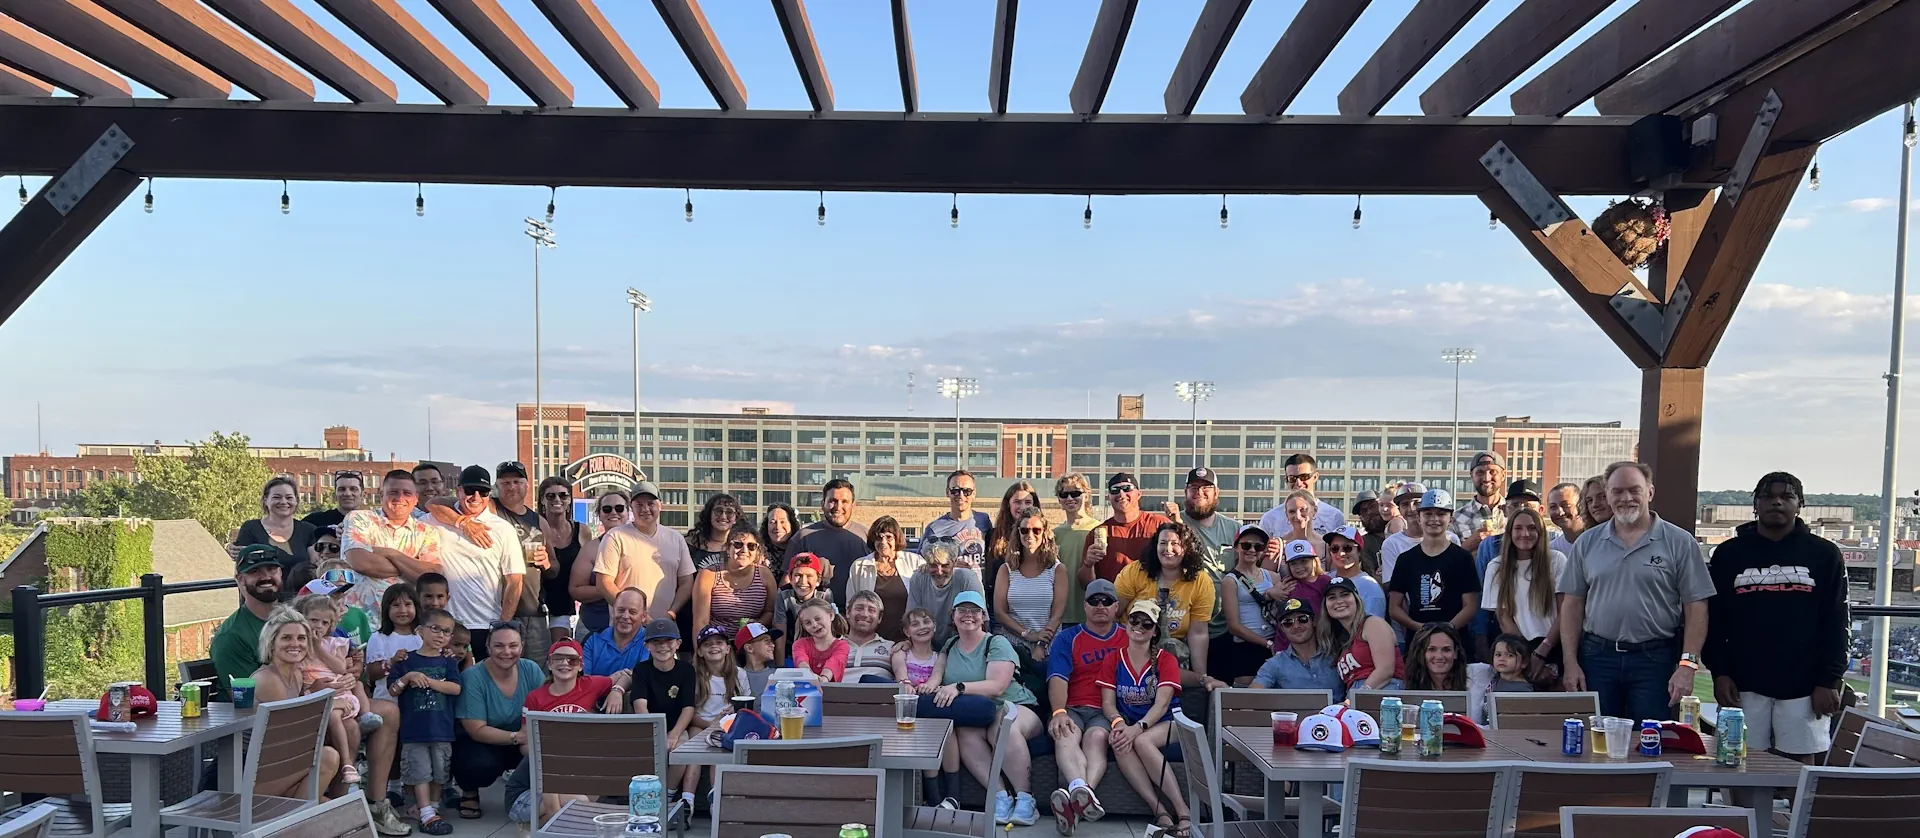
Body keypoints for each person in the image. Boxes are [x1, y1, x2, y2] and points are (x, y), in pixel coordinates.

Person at [1705, 471, 1848, 761]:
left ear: (1800, 504)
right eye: (1768, 497)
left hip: (1805, 684)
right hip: (1742, 683)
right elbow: (1714, 620)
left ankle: (1791, 810)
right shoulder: (1728, 554)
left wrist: (1828, 680)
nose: (1777, 503)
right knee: (1736, 760)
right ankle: (1747, 811)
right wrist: (1719, 672)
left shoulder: (1825, 554)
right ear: (1755, 505)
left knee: (1799, 766)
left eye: (1787, 496)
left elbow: (1836, 621)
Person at [1558, 461, 1715, 723]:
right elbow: (1572, 605)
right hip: (1597, 659)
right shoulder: (1588, 542)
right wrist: (1570, 662)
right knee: (1596, 743)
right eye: (1617, 491)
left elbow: (1696, 606)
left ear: (1650, 493)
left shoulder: (1679, 542)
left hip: (1654, 661)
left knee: (1650, 743)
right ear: (1608, 496)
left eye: (1634, 490)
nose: (1626, 498)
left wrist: (1688, 666)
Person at [935, 591, 1041, 827]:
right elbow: (937, 675)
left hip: (1016, 706)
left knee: (1003, 727)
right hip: (977, 713)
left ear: (983, 616)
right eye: (962, 610)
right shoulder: (949, 645)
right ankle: (1000, 796)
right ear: (953, 616)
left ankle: (1025, 799)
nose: (968, 615)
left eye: (975, 611)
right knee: (964, 734)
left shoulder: (996, 642)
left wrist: (959, 687)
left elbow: (997, 686)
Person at [1100, 600, 1188, 838]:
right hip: (1130, 722)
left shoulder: (1165, 659)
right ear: (1126, 623)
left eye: (1147, 624)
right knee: (1120, 742)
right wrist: (1119, 724)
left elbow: (1161, 706)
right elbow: (1108, 703)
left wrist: (1137, 728)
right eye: (1134, 620)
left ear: (1155, 631)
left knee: (1140, 741)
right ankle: (1159, 811)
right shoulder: (1113, 659)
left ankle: (1183, 812)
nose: (1139, 626)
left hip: (1170, 722)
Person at [1045, 580, 1126, 832]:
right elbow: (1058, 677)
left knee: (1097, 738)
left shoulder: (1128, 637)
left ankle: (1077, 801)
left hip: (1107, 710)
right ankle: (1083, 791)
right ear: (1084, 606)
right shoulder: (1068, 638)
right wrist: (1058, 712)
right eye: (1094, 601)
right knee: (1064, 733)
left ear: (1116, 607)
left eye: (1106, 601)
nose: (1100, 606)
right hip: (1073, 706)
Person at [426, 466, 526, 657]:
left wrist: (501, 626)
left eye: (483, 492)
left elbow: (515, 581)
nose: (476, 497)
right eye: (470, 490)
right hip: (443, 625)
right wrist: (463, 523)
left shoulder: (503, 529)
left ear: (490, 494)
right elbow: (432, 503)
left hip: (485, 624)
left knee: (485, 684)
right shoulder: (435, 519)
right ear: (458, 491)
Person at [520, 638, 621, 826]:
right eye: (558, 658)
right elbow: (525, 742)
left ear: (581, 665)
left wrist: (617, 690)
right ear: (549, 664)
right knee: (580, 804)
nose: (565, 663)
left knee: (589, 788)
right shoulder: (536, 697)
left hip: (576, 774)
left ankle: (536, 826)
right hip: (540, 781)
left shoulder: (591, 685)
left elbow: (625, 674)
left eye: (572, 660)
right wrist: (551, 755)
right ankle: (547, 822)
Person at [249, 608, 343, 798]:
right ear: (272, 643)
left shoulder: (297, 675)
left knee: (326, 805)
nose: (295, 644)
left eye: (301, 638)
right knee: (328, 758)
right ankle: (297, 821)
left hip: (283, 764)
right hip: (253, 774)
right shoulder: (268, 679)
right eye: (286, 638)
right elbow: (293, 733)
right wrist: (329, 704)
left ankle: (299, 818)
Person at [453, 621, 543, 819]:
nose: (506, 652)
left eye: (513, 646)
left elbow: (545, 710)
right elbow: (476, 729)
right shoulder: (473, 677)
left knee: (541, 754)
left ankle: (526, 793)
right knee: (477, 763)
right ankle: (469, 791)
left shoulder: (532, 670)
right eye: (499, 645)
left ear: (522, 646)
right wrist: (519, 737)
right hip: (482, 741)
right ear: (488, 646)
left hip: (523, 738)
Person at [389, 607, 462, 835]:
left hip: (441, 729)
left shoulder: (448, 662)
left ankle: (432, 807)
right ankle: (426, 814)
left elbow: (455, 688)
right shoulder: (406, 660)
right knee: (419, 772)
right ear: (420, 631)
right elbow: (393, 690)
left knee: (440, 772)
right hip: (414, 730)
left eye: (447, 632)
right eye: (435, 628)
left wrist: (428, 681)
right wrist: (408, 677)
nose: (441, 635)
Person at [342, 469, 443, 630]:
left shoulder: (427, 531)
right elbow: (360, 562)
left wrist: (391, 553)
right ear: (381, 494)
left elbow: (430, 577)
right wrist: (411, 565)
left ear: (416, 498)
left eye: (407, 493)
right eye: (393, 492)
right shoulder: (360, 518)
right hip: (359, 623)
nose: (400, 498)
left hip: (405, 626)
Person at [1114, 521, 1214, 675]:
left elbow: (1198, 633)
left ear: (1187, 548)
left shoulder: (1201, 581)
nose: (1168, 549)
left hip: (1175, 654)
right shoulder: (1135, 571)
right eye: (1163, 543)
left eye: (1175, 543)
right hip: (1133, 647)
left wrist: (1201, 677)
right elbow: (1114, 613)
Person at [1387, 490, 1481, 652]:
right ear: (1419, 517)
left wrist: (1448, 629)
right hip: (1419, 641)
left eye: (1441, 514)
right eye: (1428, 514)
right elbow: (1394, 607)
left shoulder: (1462, 558)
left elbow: (1471, 605)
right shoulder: (1406, 559)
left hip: (1455, 642)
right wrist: (1419, 628)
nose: (1434, 519)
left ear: (1450, 519)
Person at [626, 618, 698, 829]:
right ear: (647, 645)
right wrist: (655, 733)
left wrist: (674, 734)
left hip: (677, 726)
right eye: (656, 642)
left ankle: (666, 795)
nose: (662, 646)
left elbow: (688, 707)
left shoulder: (686, 670)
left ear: (678, 643)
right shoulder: (641, 669)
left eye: (668, 640)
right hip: (649, 726)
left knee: (683, 747)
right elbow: (640, 705)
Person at [590, 481, 693, 624]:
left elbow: (686, 582)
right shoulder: (615, 536)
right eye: (639, 504)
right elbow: (603, 582)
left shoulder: (676, 538)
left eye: (650, 504)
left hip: (664, 629)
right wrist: (635, 615)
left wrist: (671, 614)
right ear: (632, 507)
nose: (645, 509)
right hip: (626, 626)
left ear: (660, 506)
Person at [292, 594, 370, 783]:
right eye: (313, 620)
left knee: (335, 714)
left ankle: (347, 765)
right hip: (314, 696)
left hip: (340, 694)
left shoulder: (334, 644)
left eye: (324, 623)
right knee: (335, 715)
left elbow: (340, 668)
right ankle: (347, 768)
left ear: (331, 626)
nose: (318, 626)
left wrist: (318, 647)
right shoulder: (298, 644)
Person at [1166, 467, 1239, 668]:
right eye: (1194, 487)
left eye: (1206, 487)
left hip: (1223, 626)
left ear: (1217, 492)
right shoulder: (1171, 523)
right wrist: (1177, 524)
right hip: (1182, 626)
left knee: (1220, 686)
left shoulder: (1233, 528)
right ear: (1185, 492)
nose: (1199, 492)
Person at [995, 507, 1067, 701]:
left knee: (1045, 696)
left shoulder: (1057, 569)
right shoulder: (1007, 569)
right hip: (1013, 644)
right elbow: (1000, 613)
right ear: (1017, 533)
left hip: (1048, 646)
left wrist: (1041, 644)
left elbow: (1057, 615)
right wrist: (1029, 635)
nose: (1030, 535)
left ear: (1045, 533)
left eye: (1036, 530)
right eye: (1024, 530)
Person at [1483, 508, 1567, 673]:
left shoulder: (1557, 560)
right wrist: (1525, 655)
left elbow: (1564, 611)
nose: (1525, 533)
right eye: (1518, 528)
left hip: (1554, 644)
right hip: (1519, 649)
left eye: (1532, 528)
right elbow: (1503, 616)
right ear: (1510, 532)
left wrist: (1543, 650)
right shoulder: (1496, 567)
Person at [212, 546, 286, 698]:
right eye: (255, 571)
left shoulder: (296, 620)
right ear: (240, 580)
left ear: (280, 573)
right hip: (257, 717)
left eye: (272, 569)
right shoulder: (231, 636)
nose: (266, 577)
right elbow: (245, 700)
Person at [1214, 524, 1280, 685]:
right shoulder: (1230, 581)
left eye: (1258, 546)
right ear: (1236, 547)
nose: (1252, 550)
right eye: (1246, 545)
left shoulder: (1273, 577)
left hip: (1273, 644)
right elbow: (1234, 626)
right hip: (1246, 647)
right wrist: (1267, 643)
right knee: (1246, 696)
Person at [787, 478, 868, 605]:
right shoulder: (803, 537)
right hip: (814, 617)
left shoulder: (866, 537)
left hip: (859, 616)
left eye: (844, 501)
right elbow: (787, 582)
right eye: (832, 501)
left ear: (853, 505)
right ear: (822, 503)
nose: (838, 507)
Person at [229, 476, 316, 593]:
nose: (283, 502)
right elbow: (242, 574)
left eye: (289, 497)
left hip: (300, 604)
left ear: (296, 500)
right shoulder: (250, 528)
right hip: (263, 602)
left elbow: (316, 567)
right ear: (266, 500)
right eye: (276, 497)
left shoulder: (308, 530)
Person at [1082, 472, 1172, 585]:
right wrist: (1088, 564)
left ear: (1139, 494)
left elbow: (1182, 560)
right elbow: (1085, 584)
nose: (1121, 494)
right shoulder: (1098, 533)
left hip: (1152, 598)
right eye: (1115, 490)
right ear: (1108, 497)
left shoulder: (1160, 524)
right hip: (1114, 599)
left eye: (1127, 488)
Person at [1247, 598, 1346, 698]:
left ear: (1314, 621)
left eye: (1302, 619)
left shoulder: (1337, 655)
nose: (1296, 626)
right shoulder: (1274, 665)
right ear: (1282, 629)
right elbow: (1251, 697)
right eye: (1288, 622)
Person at [847, 515, 921, 639]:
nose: (883, 543)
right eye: (879, 538)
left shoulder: (914, 562)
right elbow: (850, 603)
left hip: (907, 637)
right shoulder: (859, 566)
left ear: (896, 538)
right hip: (870, 636)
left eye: (888, 537)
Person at [1325, 577, 1405, 691]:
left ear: (1356, 599)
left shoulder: (1373, 623)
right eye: (1332, 597)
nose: (1339, 601)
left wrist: (1357, 697)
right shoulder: (1341, 641)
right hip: (1357, 695)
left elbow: (1385, 670)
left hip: (1384, 693)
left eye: (1345, 594)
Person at [692, 525, 775, 633]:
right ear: (727, 548)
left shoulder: (765, 575)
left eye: (751, 546)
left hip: (752, 639)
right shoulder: (709, 574)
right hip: (717, 641)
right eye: (738, 544)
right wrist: (700, 648)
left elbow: (770, 611)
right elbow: (701, 622)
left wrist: (756, 625)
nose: (744, 550)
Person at [569, 488, 630, 633]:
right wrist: (607, 587)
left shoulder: (640, 544)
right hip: (594, 627)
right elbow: (575, 590)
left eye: (619, 508)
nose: (614, 512)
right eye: (607, 509)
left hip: (634, 629)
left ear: (628, 512)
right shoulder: (590, 548)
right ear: (599, 515)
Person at [907, 543, 985, 648]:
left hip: (962, 644)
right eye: (933, 565)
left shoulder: (967, 578)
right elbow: (911, 618)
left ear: (955, 562)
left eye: (945, 565)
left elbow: (981, 619)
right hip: (927, 645)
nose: (939, 572)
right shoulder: (918, 578)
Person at [1379, 482, 1456, 585]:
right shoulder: (1392, 544)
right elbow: (1392, 587)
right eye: (1405, 504)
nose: (1411, 509)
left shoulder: (1451, 539)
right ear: (1400, 510)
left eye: (1417, 503)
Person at [536, 477, 584, 642]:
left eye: (563, 495)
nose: (557, 500)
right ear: (542, 499)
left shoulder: (582, 531)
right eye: (550, 496)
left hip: (567, 607)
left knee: (562, 655)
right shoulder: (533, 529)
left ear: (569, 500)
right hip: (537, 607)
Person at [924, 470, 996, 577]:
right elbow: (922, 564)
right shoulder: (935, 528)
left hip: (981, 590)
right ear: (947, 492)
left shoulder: (983, 520)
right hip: (952, 589)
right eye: (955, 491)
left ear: (974, 493)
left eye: (967, 491)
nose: (961, 496)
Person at [1052, 473, 1101, 626]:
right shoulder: (1054, 534)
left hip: (1093, 614)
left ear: (1086, 496)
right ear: (1059, 499)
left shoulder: (1099, 529)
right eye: (1064, 494)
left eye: (1075, 493)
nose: (1070, 498)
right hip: (1062, 615)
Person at [1258, 454, 1345, 537]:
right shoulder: (1270, 518)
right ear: (1286, 480)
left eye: (1304, 477)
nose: (1298, 483)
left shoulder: (1334, 516)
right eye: (1292, 478)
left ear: (1315, 477)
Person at [366, 583, 424, 705]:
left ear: (416, 607)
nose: (403, 610)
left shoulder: (423, 636)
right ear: (387, 609)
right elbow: (372, 674)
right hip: (387, 701)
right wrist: (391, 662)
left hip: (418, 702)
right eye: (396, 605)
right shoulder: (378, 638)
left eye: (408, 604)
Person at [773, 553, 837, 659]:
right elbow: (781, 631)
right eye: (798, 575)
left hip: (818, 648)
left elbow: (829, 631)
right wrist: (780, 665)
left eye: (809, 576)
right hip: (791, 648)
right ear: (790, 578)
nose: (803, 581)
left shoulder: (824, 595)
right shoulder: (784, 594)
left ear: (818, 580)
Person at [1325, 525, 1388, 623]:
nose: (1341, 553)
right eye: (1335, 548)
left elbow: (1375, 628)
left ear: (1359, 551)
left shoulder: (1370, 587)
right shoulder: (1325, 579)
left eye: (1347, 548)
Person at [583, 588, 649, 677]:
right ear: (613, 611)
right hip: (594, 691)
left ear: (644, 616)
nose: (625, 616)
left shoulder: (651, 641)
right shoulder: (593, 639)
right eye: (621, 610)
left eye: (632, 612)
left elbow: (643, 679)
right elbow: (583, 681)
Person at [1452, 452, 1508, 553]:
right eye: (1480, 472)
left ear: (1503, 475)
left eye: (1493, 472)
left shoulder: (1513, 515)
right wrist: (1468, 545)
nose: (1486, 478)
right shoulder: (1456, 519)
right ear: (1472, 476)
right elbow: (1447, 560)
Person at [842, 590, 896, 681]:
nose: (864, 614)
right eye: (859, 609)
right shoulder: (831, 646)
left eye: (871, 610)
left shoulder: (892, 648)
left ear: (879, 618)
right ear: (848, 612)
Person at [792, 599, 850, 681]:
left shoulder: (842, 645)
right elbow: (801, 661)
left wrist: (824, 678)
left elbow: (834, 663)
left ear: (831, 616)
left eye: (818, 618)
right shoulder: (799, 644)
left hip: (831, 690)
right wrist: (809, 676)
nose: (814, 625)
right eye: (808, 623)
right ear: (804, 627)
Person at [685, 493, 742, 573]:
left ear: (736, 519)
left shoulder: (743, 547)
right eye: (718, 511)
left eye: (729, 512)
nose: (723, 516)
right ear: (709, 514)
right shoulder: (689, 545)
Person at [1265, 491, 1327, 565]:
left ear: (1315, 510)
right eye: (1292, 511)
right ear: (1286, 515)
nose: (1297, 516)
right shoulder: (1277, 546)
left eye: (1303, 510)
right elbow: (1267, 575)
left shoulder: (1327, 546)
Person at [1278, 538, 1334, 617]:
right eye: (1293, 563)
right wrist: (1271, 593)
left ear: (1314, 561)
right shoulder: (1288, 583)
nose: (1299, 567)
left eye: (1304, 561)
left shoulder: (1325, 581)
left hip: (1323, 626)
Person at [734, 621, 781, 695]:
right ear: (749, 648)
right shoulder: (736, 676)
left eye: (772, 641)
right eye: (766, 641)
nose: (773, 645)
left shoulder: (778, 675)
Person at [1351, 492, 1389, 577]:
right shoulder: (1363, 543)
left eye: (1372, 506)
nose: (1369, 512)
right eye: (1363, 511)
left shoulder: (1403, 533)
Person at [759, 502, 800, 572]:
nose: (778, 527)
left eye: (783, 522)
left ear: (792, 524)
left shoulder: (801, 549)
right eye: (772, 522)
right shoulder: (758, 550)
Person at [1546, 482, 1585, 552]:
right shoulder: (1552, 550)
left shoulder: (1598, 541)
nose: (1560, 512)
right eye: (1553, 507)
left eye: (1566, 505)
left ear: (1580, 505)